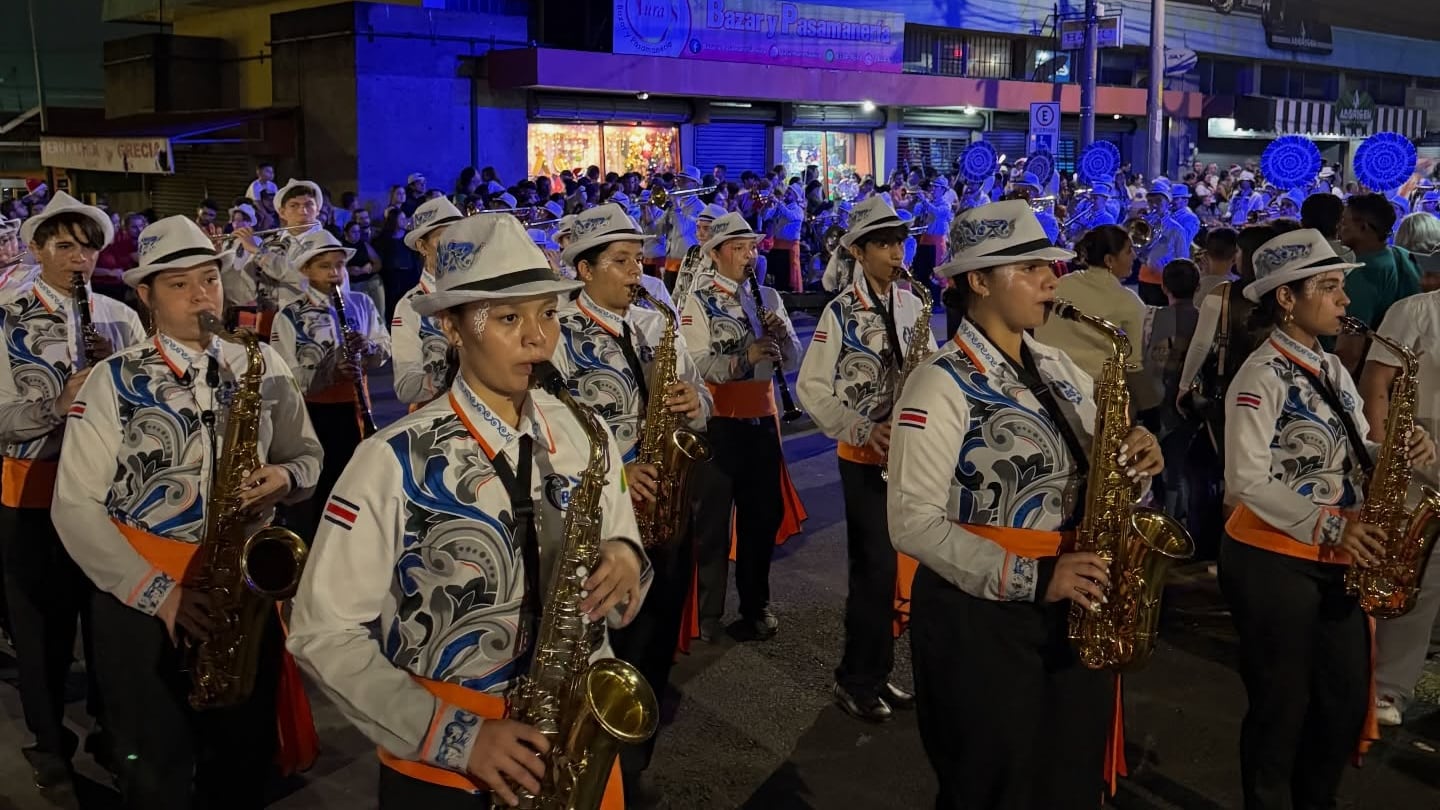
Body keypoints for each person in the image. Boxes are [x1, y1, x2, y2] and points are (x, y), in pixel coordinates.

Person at [286, 213, 649, 810]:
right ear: (453, 328)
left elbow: (627, 578)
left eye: (549, 314)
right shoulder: (389, 460)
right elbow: (322, 632)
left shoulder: (587, 433)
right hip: (442, 771)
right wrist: (454, 736)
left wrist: (625, 558)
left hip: (571, 737)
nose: (540, 338)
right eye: (510, 318)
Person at [888, 199, 1163, 809]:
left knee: (1064, 781)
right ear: (978, 281)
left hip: (1072, 596)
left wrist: (1135, 459)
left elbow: (1104, 475)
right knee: (992, 784)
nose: (1051, 280)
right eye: (1031, 268)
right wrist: (1032, 576)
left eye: (1052, 266)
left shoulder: (1059, 365)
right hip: (980, 619)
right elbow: (912, 522)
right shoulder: (939, 381)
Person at [52, 215, 322, 808]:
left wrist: (286, 476)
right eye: (180, 285)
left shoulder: (263, 365)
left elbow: (307, 455)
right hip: (137, 592)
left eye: (210, 279)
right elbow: (73, 505)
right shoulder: (111, 381)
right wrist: (158, 593)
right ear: (144, 295)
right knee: (154, 761)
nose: (203, 295)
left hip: (239, 593)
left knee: (243, 758)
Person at [1220, 228, 1433, 810]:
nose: (1345, 301)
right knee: (1280, 704)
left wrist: (1400, 447)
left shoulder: (1332, 369)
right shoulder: (1260, 376)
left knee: (1340, 701)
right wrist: (1332, 525)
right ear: (1286, 298)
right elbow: (1244, 479)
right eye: (1331, 287)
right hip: (1271, 561)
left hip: (1333, 556)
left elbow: (1360, 446)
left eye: (1342, 288)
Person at [550, 204, 710, 807]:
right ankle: (598, 756)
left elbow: (704, 404)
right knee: (611, 635)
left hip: (666, 503)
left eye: (637, 259)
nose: (634, 271)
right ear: (584, 269)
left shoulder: (655, 322)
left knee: (658, 630)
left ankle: (634, 747)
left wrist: (695, 401)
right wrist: (619, 468)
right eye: (620, 261)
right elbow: (551, 428)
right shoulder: (560, 335)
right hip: (603, 515)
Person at [0, 193, 145, 793]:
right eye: (63, 245)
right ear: (37, 250)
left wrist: (124, 376)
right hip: (34, 490)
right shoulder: (9, 318)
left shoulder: (120, 316)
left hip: (108, 495)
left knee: (109, 623)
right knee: (42, 628)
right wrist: (58, 404)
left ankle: (114, 735)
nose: (79, 258)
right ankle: (49, 742)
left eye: (87, 246)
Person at [796, 197, 930, 723]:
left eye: (900, 242)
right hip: (863, 453)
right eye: (885, 244)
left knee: (897, 568)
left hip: (907, 453)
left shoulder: (914, 304)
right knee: (872, 571)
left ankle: (876, 671)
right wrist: (860, 427)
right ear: (858, 250)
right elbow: (810, 387)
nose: (897, 252)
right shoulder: (839, 312)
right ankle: (856, 678)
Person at [679, 212, 802, 642]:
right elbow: (695, 364)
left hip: (762, 421)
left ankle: (756, 605)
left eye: (752, 247)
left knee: (760, 520)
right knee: (711, 523)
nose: (750, 255)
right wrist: (744, 359)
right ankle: (707, 612)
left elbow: (792, 358)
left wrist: (782, 337)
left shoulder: (767, 296)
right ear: (716, 254)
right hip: (720, 424)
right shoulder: (698, 301)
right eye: (739, 248)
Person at [1357, 245, 1440, 728]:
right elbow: (1375, 386)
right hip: (1417, 465)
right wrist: (1384, 453)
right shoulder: (1415, 312)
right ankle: (1388, 686)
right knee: (1415, 579)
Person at [270, 229, 391, 541]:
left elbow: (384, 350)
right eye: (325, 266)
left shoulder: (361, 303)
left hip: (357, 408)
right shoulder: (290, 315)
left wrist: (368, 350)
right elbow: (288, 378)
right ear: (305, 270)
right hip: (314, 414)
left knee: (356, 485)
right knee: (320, 490)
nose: (336, 274)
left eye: (339, 265)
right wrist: (329, 369)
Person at [1034, 224, 1155, 410]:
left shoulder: (1060, 284)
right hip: (1095, 399)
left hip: (1047, 388)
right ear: (1109, 260)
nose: (1134, 257)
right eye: (1128, 251)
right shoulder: (1129, 302)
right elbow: (1133, 364)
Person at [390, 196, 464, 409]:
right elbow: (405, 386)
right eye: (443, 239)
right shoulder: (410, 306)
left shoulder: (479, 292)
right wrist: (454, 373)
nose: (454, 246)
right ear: (422, 246)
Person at [1334, 193, 1421, 372]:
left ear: (1364, 227)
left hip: (1367, 374)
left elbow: (1349, 353)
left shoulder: (1363, 274)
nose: (1339, 227)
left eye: (1344, 221)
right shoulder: (1401, 256)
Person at [223, 178, 324, 331]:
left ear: (318, 209)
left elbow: (307, 280)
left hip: (310, 328)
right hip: (269, 327)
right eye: (294, 205)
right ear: (282, 212)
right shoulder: (270, 243)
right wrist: (219, 261)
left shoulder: (326, 244)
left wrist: (257, 251)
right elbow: (245, 291)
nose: (303, 211)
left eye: (309, 204)